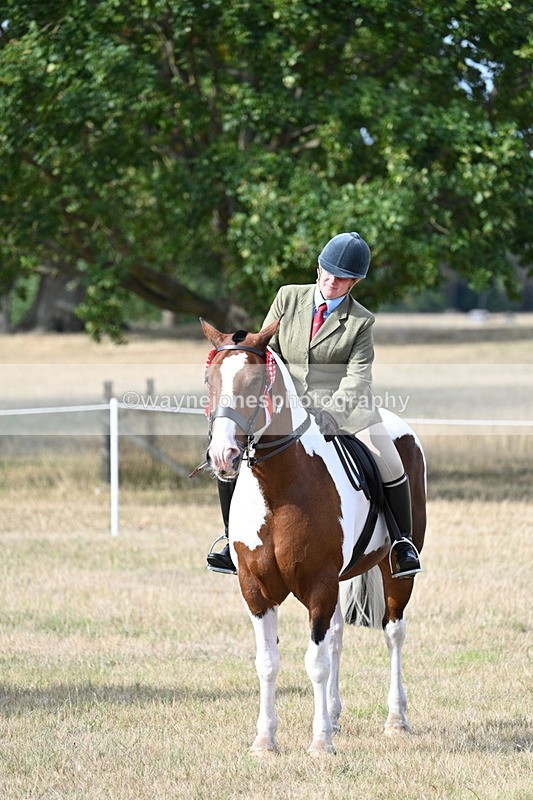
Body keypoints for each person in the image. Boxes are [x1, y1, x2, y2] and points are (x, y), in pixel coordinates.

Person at [207, 231, 422, 579]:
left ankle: (401, 544)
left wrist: (332, 414)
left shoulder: (361, 322)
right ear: (318, 267)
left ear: (354, 282)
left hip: (346, 412)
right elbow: (265, 351)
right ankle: (231, 541)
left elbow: (357, 378)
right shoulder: (288, 298)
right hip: (288, 406)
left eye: (341, 278)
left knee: (391, 463)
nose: (331, 281)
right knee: (229, 450)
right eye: (327, 272)